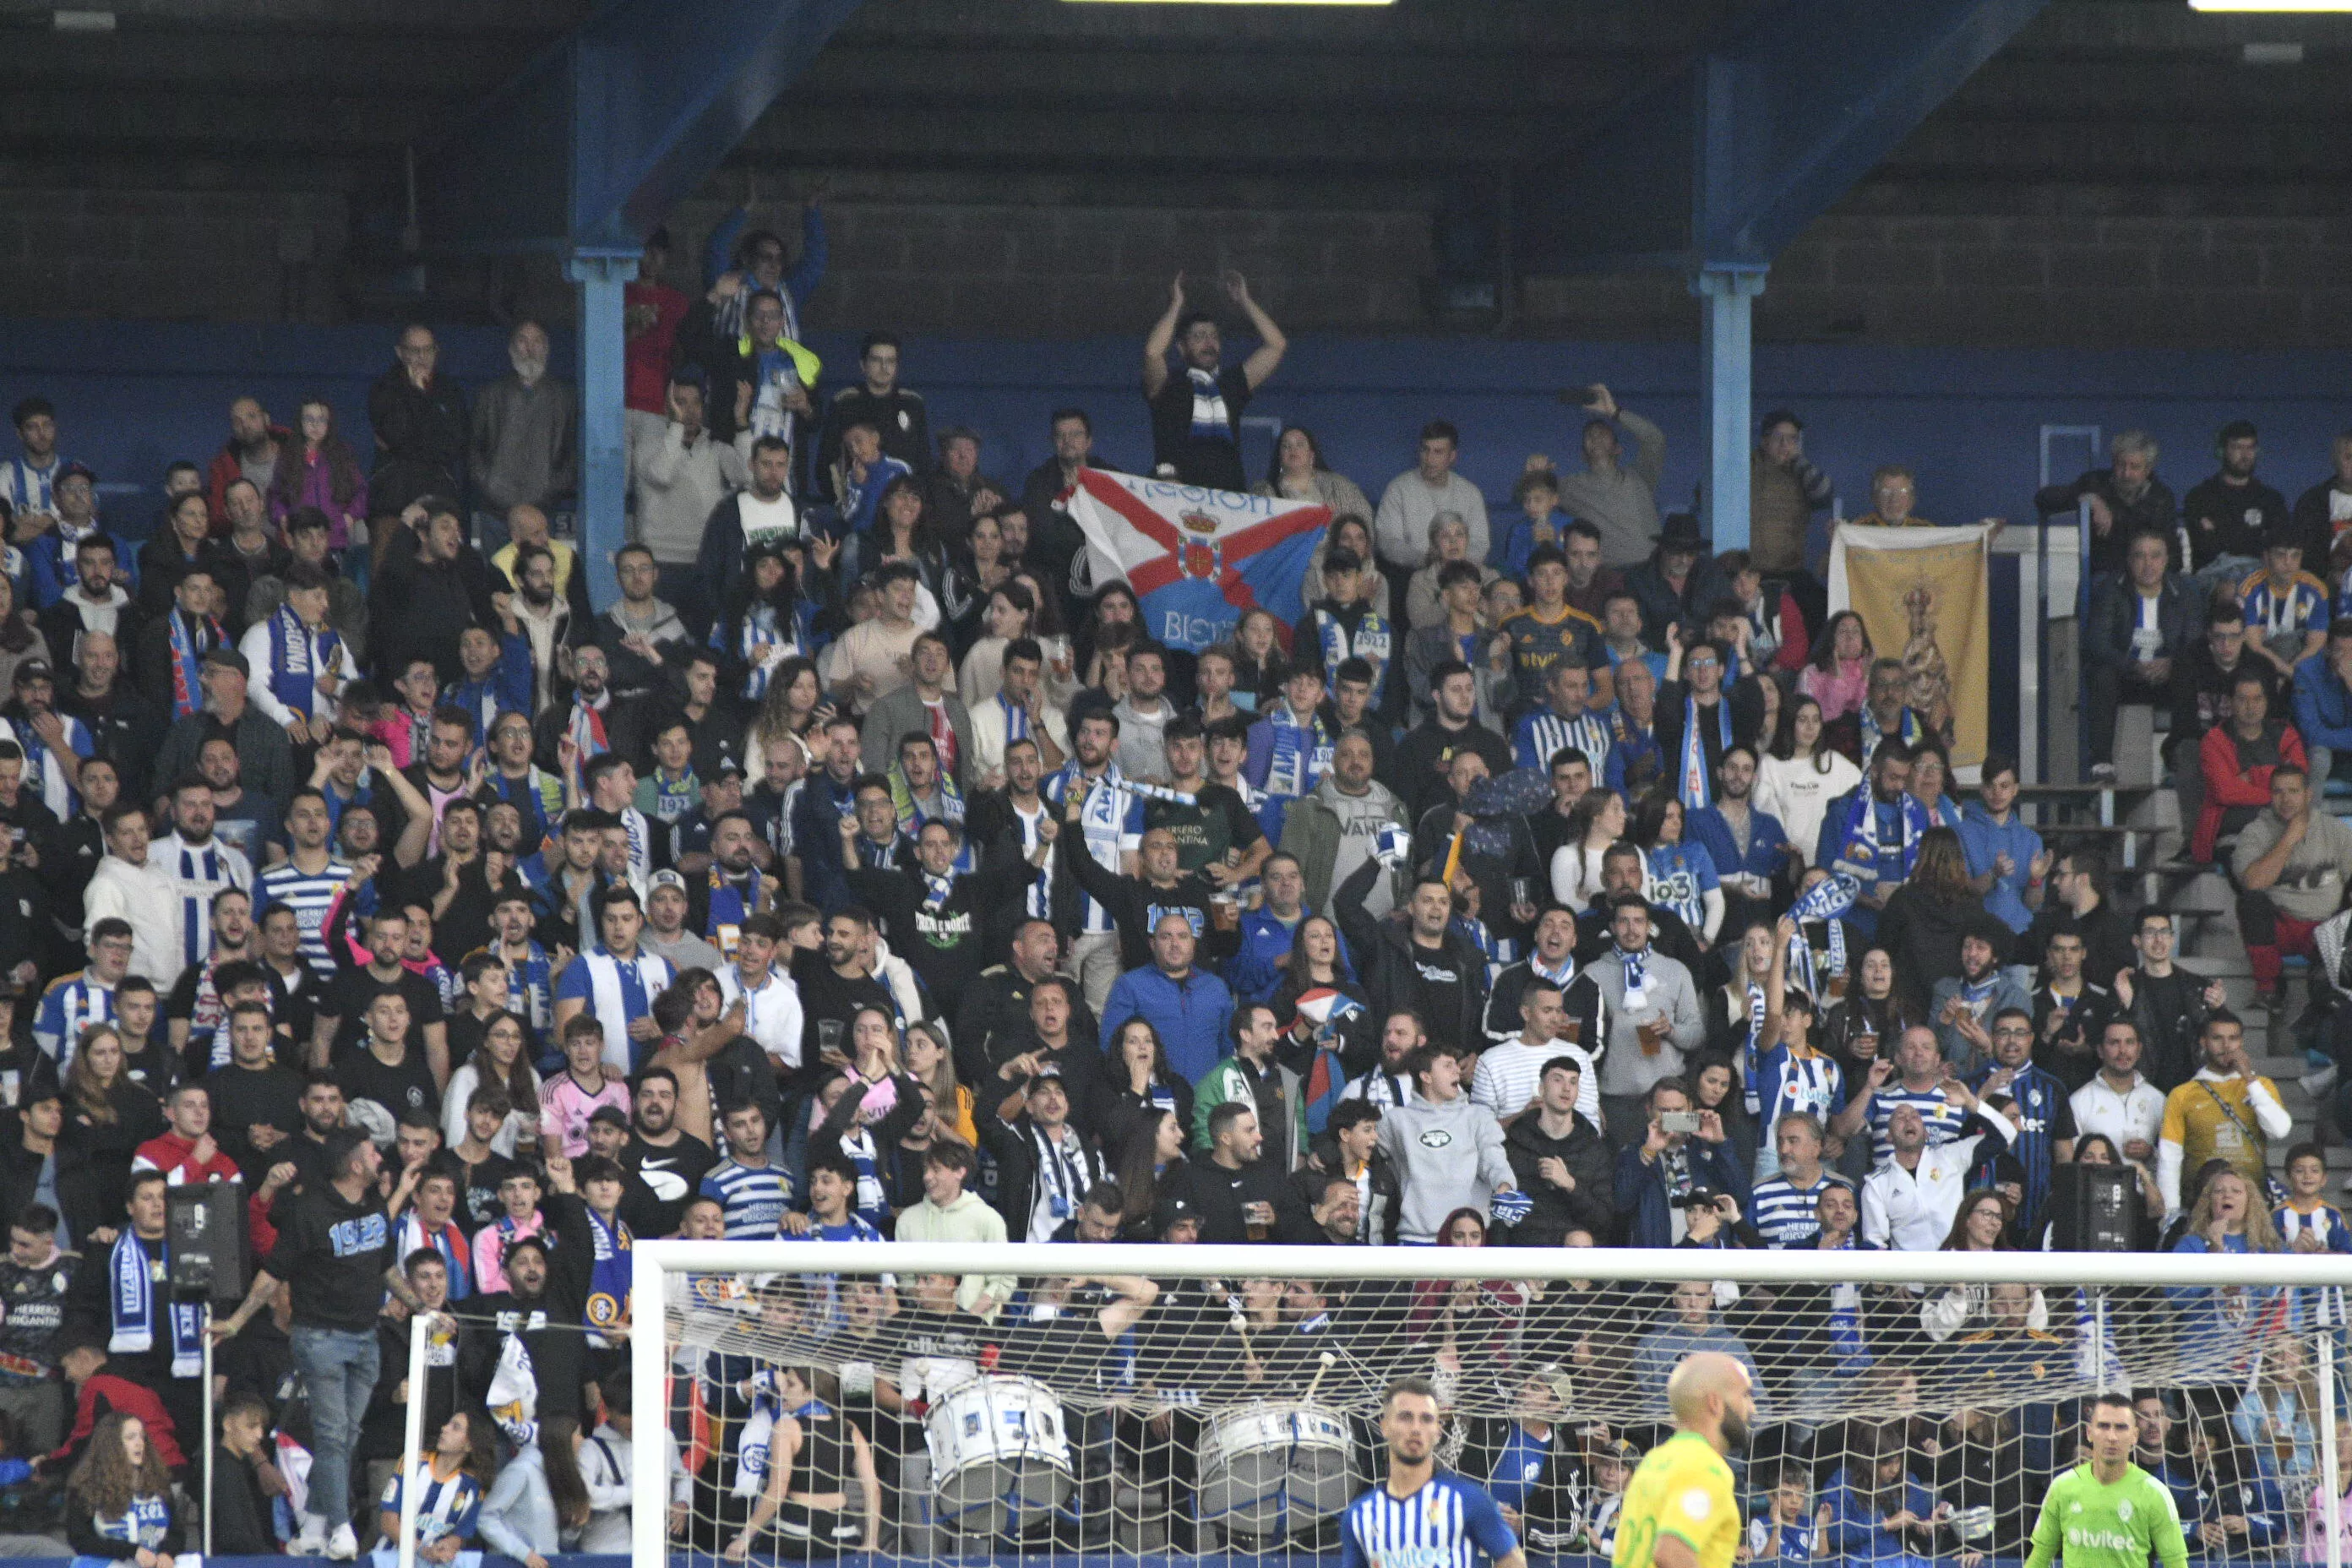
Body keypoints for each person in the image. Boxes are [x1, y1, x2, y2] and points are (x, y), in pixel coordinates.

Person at [207, 1128, 434, 1560]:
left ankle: (311, 1525)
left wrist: (419, 1306)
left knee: (346, 1435)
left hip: (365, 1337)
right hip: (320, 1339)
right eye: (371, 1151)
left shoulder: (371, 1204)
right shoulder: (308, 1210)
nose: (378, 1157)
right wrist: (237, 1320)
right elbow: (272, 1273)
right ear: (354, 1164)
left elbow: (385, 1267)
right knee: (332, 1435)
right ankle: (340, 1527)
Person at [1339, 1376, 1527, 1568]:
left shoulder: (1469, 1500)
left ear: (1438, 1431)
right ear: (1384, 1426)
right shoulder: (1359, 1514)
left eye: (1426, 1419)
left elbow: (1513, 1561)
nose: (1416, 1428)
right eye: (1405, 1417)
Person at [1610, 1352, 1752, 1568]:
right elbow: (1672, 1554)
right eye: (1745, 1395)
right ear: (1715, 1402)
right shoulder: (1706, 1467)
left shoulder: (1654, 1460)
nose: (1752, 1408)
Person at [2230, 765, 2352, 1015]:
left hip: (2326, 927)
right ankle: (2269, 989)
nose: (2286, 799)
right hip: (2279, 925)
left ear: (2308, 794)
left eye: (2293, 791)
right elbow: (2253, 883)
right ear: (2270, 795)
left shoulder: (2336, 830)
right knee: (2251, 901)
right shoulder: (2256, 832)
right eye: (2278, 792)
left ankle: (2327, 997)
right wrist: (2288, 840)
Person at [2022, 1393, 2191, 1568]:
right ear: (2089, 1433)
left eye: (2121, 1427)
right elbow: (2039, 1558)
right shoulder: (2062, 1487)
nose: (2112, 1437)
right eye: (2103, 1426)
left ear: (2134, 1435)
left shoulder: (2155, 1493)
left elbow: (2176, 1563)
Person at [2086, 531, 2199, 781]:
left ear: (2167, 559)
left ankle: (2177, 760)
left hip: (2166, 678)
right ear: (2129, 560)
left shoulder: (2184, 592)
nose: (2148, 565)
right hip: (2127, 677)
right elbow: (2098, 643)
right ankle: (2101, 761)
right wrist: (2133, 665)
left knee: (2187, 672)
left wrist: (2171, 663)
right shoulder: (2111, 590)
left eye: (2156, 556)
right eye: (2140, 557)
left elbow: (2195, 642)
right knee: (2102, 674)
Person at [2035, 428, 2179, 581]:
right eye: (2120, 465)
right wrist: (2090, 499)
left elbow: (2174, 554)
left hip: (2147, 581)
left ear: (2148, 469)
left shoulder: (2162, 497)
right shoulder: (2095, 483)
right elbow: (2043, 498)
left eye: (2135, 467)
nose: (2126, 473)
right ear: (2112, 462)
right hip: (2105, 579)